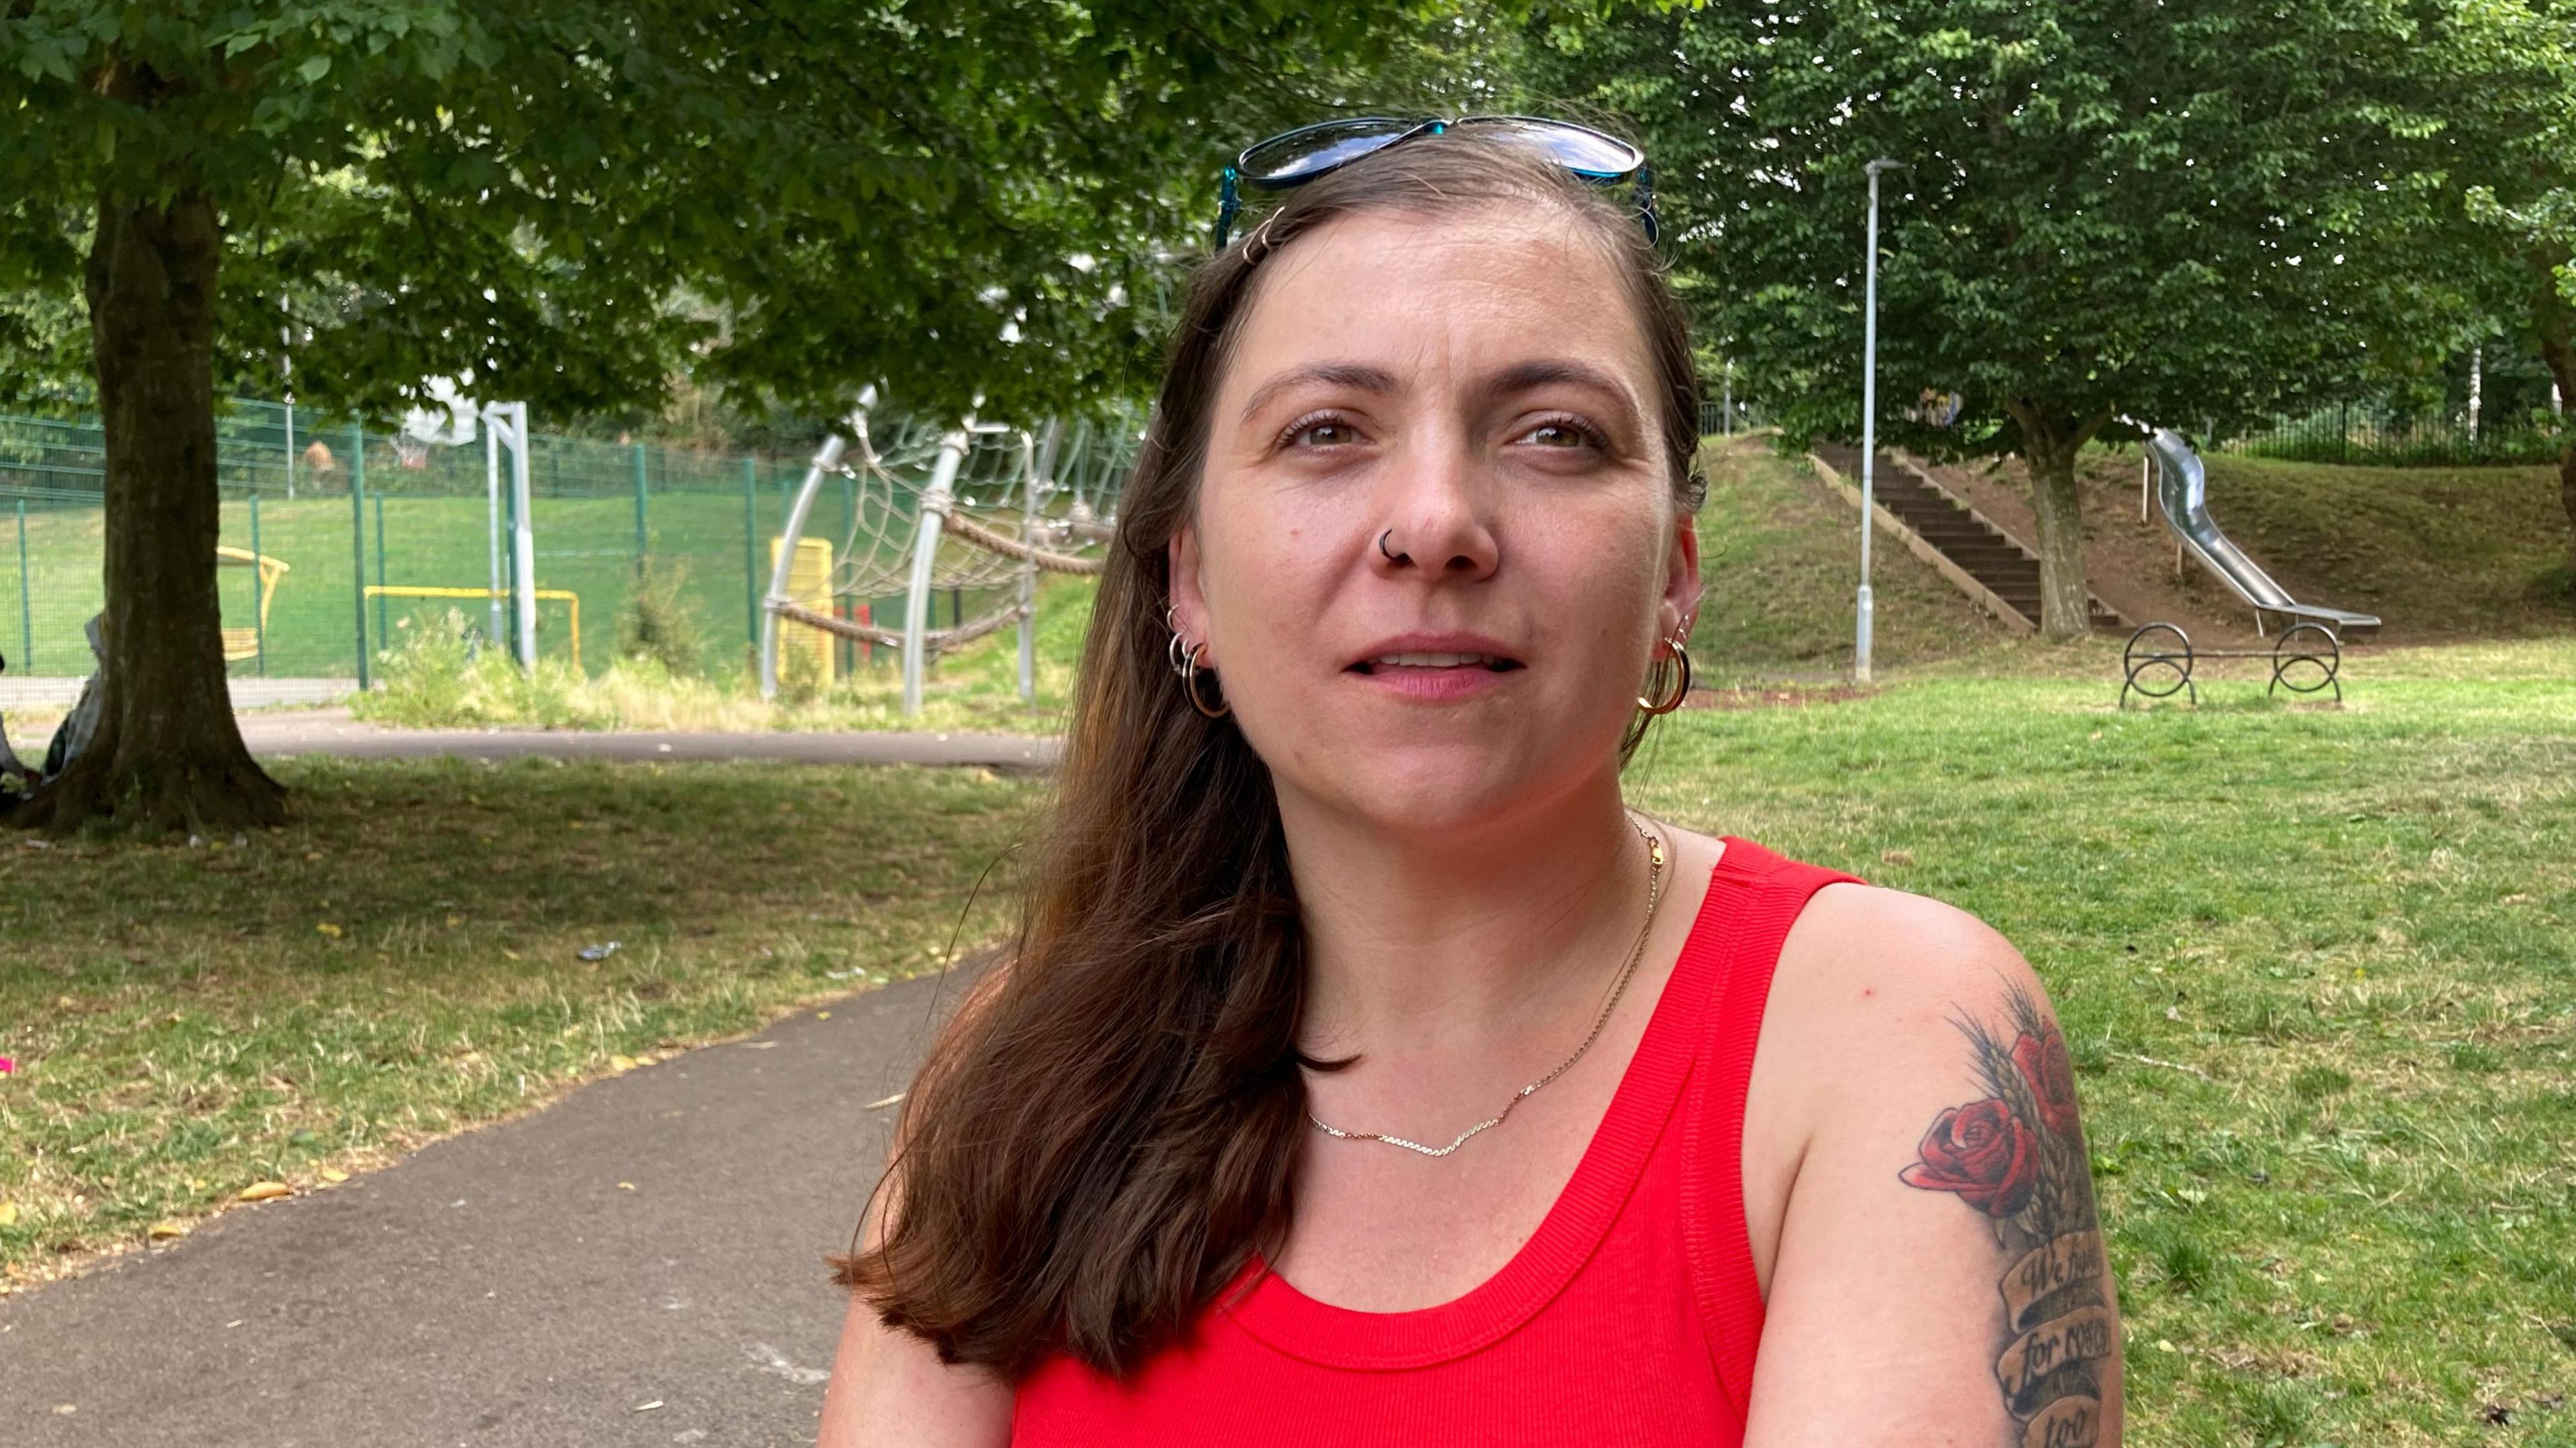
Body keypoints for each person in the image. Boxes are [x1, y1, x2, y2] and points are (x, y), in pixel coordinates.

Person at [818, 121, 2123, 1446]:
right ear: (1190, 578)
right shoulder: (1030, 1068)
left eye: (1556, 435)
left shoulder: (1888, 1038)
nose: (1436, 522)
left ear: (1673, 575)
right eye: (1327, 431)